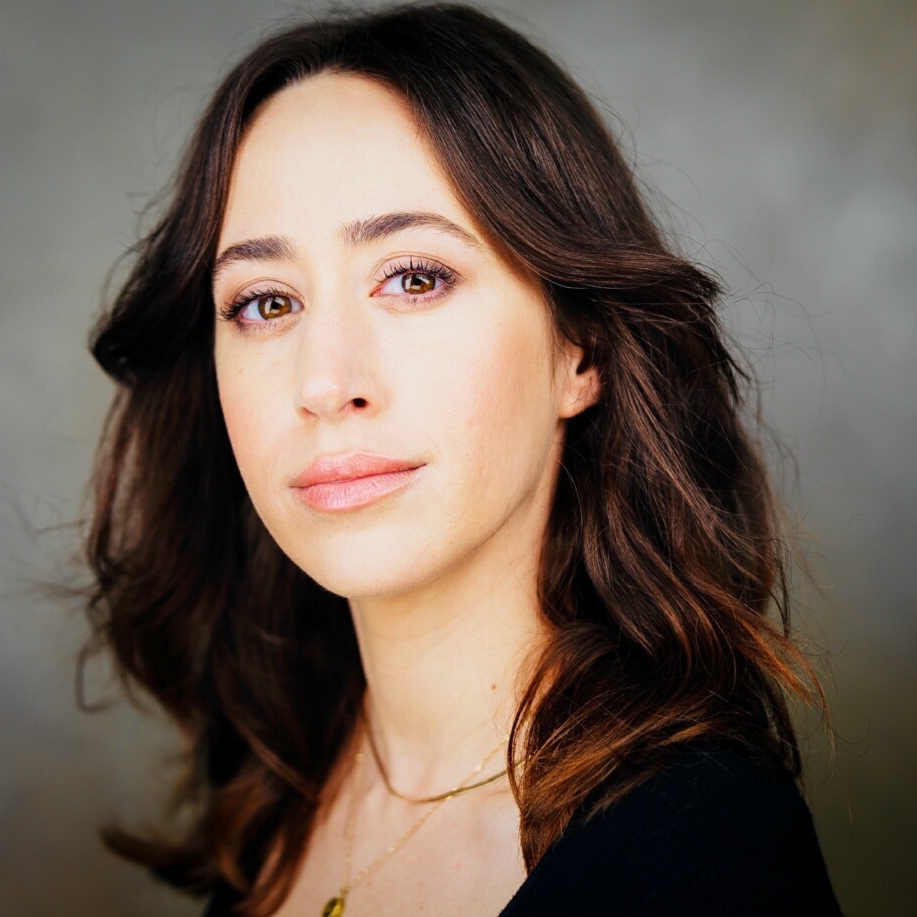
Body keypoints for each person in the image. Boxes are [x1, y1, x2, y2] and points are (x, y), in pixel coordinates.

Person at [84, 4, 842, 915]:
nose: (326, 383)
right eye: (264, 302)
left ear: (582, 351)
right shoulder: (272, 789)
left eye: (414, 278)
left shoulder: (702, 857)